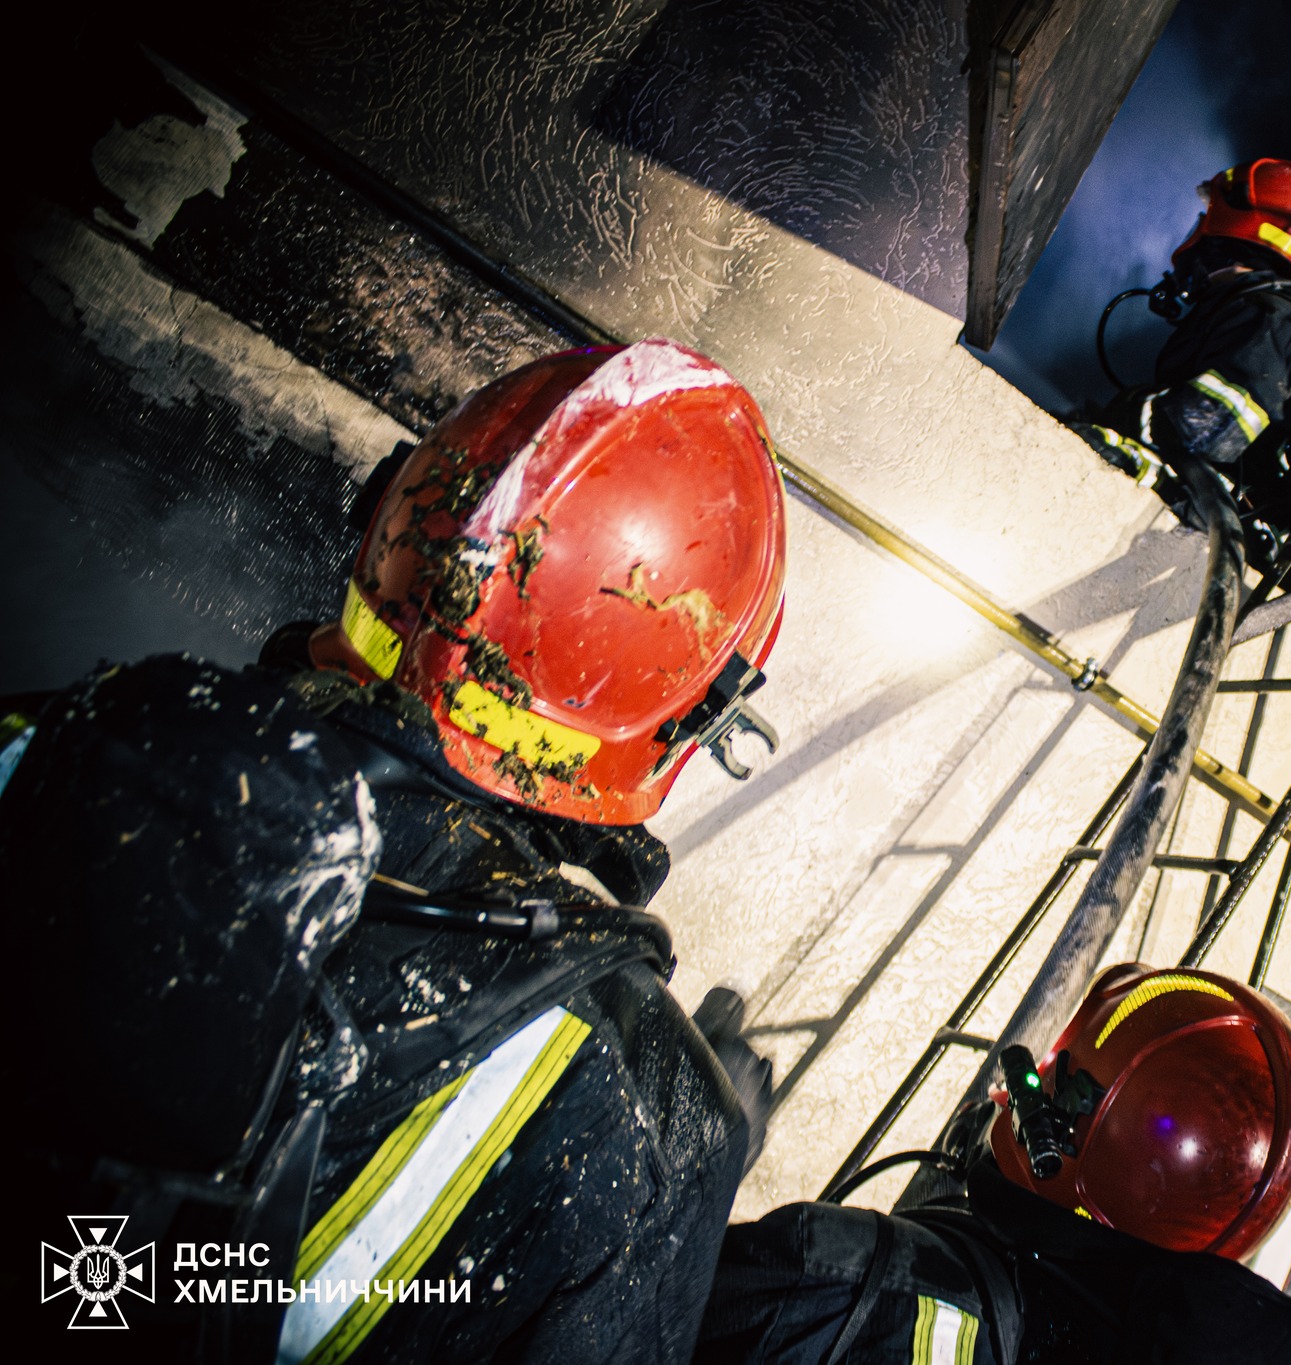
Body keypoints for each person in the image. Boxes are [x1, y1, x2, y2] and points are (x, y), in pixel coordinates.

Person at [7, 339, 787, 1363]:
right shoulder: (643, 1120)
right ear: (689, 715)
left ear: (390, 524)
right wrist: (688, 1157)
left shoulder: (62, 740)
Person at [695, 964, 1291, 1365]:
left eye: (1051, 1071)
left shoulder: (836, 1276)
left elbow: (615, 1324)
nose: (1017, 1086)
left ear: (1068, 1142)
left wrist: (700, 1149)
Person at [1077, 159, 1291, 569]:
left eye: (1209, 211)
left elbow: (1206, 427)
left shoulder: (1274, 319)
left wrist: (1127, 409)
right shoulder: (1250, 310)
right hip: (1203, 503)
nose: (1200, 224)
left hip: (1224, 517)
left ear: (1234, 216)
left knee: (1092, 446)